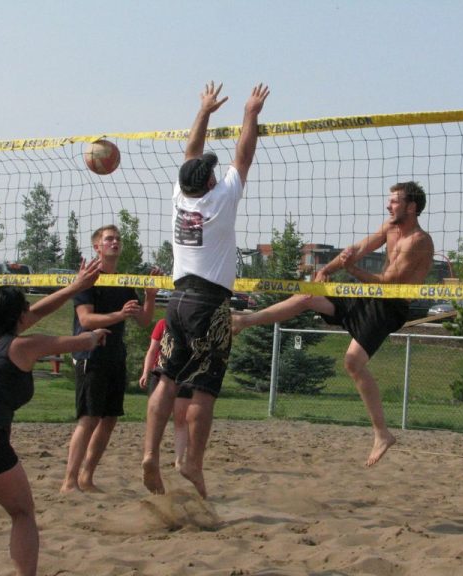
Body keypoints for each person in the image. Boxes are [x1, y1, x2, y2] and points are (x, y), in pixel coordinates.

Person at [233, 181, 434, 467]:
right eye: (389, 201)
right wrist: (326, 269)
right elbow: (358, 249)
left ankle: (382, 434)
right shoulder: (390, 228)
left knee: (352, 362)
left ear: (411, 207)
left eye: (394, 201)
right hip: (368, 296)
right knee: (307, 296)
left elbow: (389, 283)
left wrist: (352, 269)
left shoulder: (419, 241)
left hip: (389, 307)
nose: (388, 206)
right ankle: (244, 321)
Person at [0, 260, 108, 576]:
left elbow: (35, 312)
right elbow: (81, 341)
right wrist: (96, 335)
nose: (30, 310)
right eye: (26, 307)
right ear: (20, 316)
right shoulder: (26, 345)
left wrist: (76, 287)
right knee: (22, 513)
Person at [142, 81, 269, 498]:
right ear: (211, 181)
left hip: (176, 301)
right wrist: (250, 114)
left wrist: (204, 111)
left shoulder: (180, 195)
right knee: (204, 387)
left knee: (166, 379)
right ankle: (191, 461)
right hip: (208, 304)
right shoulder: (221, 198)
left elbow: (191, 153)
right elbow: (243, 155)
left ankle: (150, 454)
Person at [60, 225, 157, 493]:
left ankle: (86, 478)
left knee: (109, 419)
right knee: (89, 418)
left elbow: (144, 320)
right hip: (90, 354)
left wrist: (150, 297)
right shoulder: (88, 279)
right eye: (109, 239)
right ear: (97, 247)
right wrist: (119, 315)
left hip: (115, 356)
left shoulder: (123, 282)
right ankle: (69, 481)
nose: (115, 242)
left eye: (117, 239)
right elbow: (85, 320)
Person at [138, 318, 191, 469]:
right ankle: (150, 456)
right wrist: (145, 372)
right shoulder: (163, 323)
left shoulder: (192, 323)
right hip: (161, 373)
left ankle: (179, 460)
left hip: (184, 376)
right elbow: (152, 350)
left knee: (181, 419)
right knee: (155, 419)